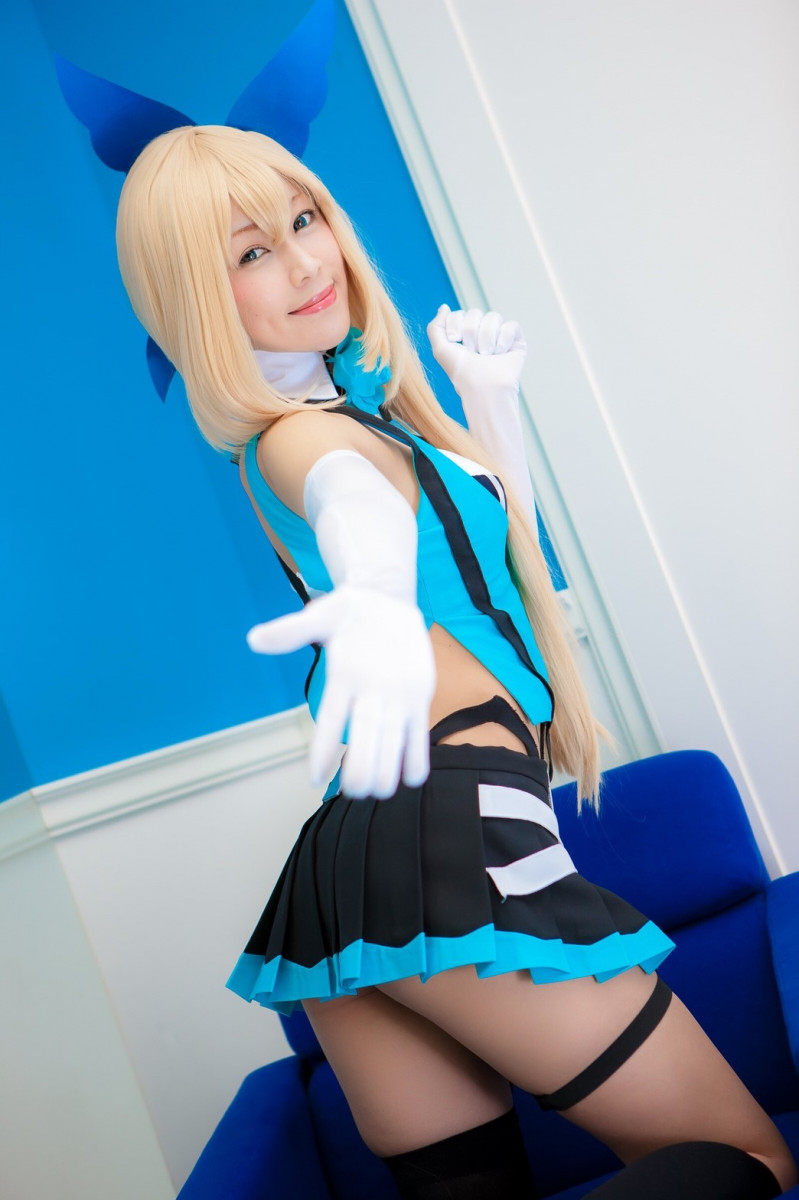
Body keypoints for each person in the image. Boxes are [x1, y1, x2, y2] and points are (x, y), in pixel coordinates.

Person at [116, 124, 796, 1199]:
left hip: (349, 880)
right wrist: (374, 591)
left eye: (303, 221)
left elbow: (485, 567)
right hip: (448, 840)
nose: (303, 263)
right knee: (749, 1164)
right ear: (196, 298)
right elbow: (351, 505)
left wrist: (491, 410)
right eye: (249, 252)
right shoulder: (296, 438)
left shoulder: (361, 418)